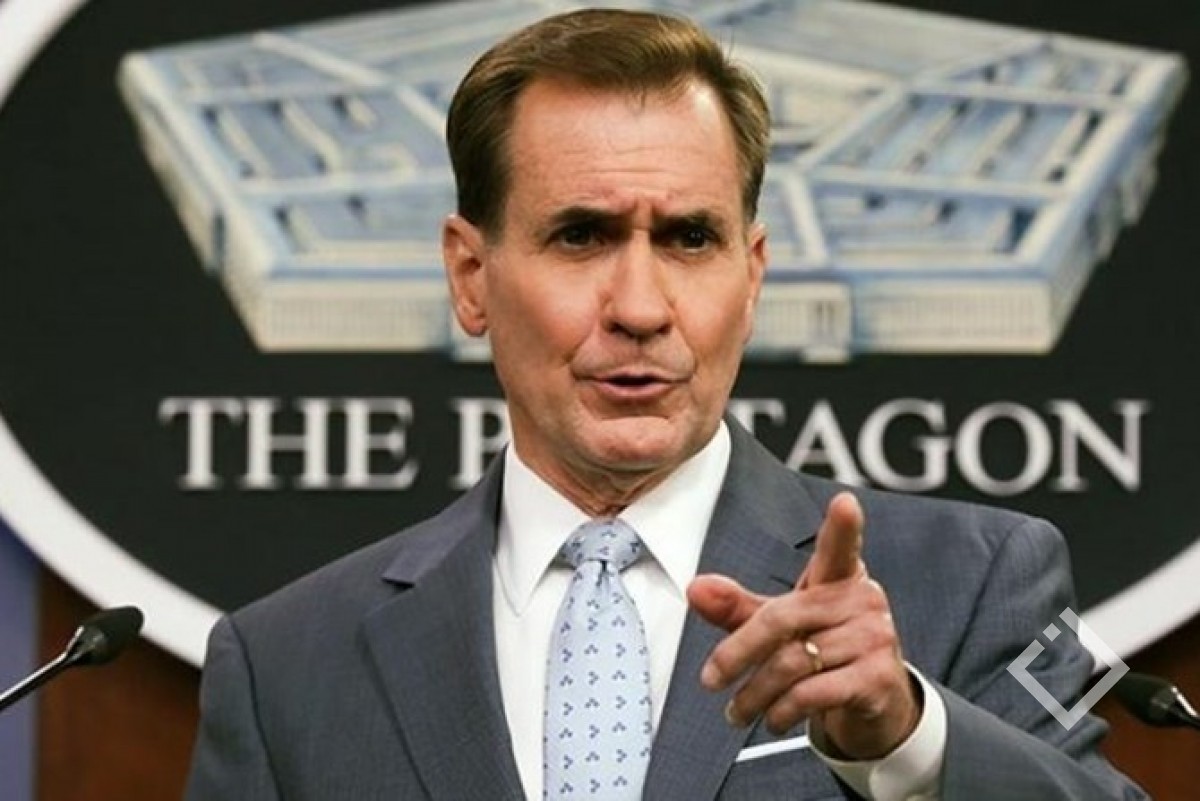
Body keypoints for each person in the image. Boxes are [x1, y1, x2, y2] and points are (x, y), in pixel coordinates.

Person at [185, 8, 1146, 800]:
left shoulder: (973, 581)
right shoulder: (284, 664)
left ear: (751, 275)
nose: (641, 308)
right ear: (471, 276)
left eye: (689, 238)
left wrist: (907, 739)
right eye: (581, 236)